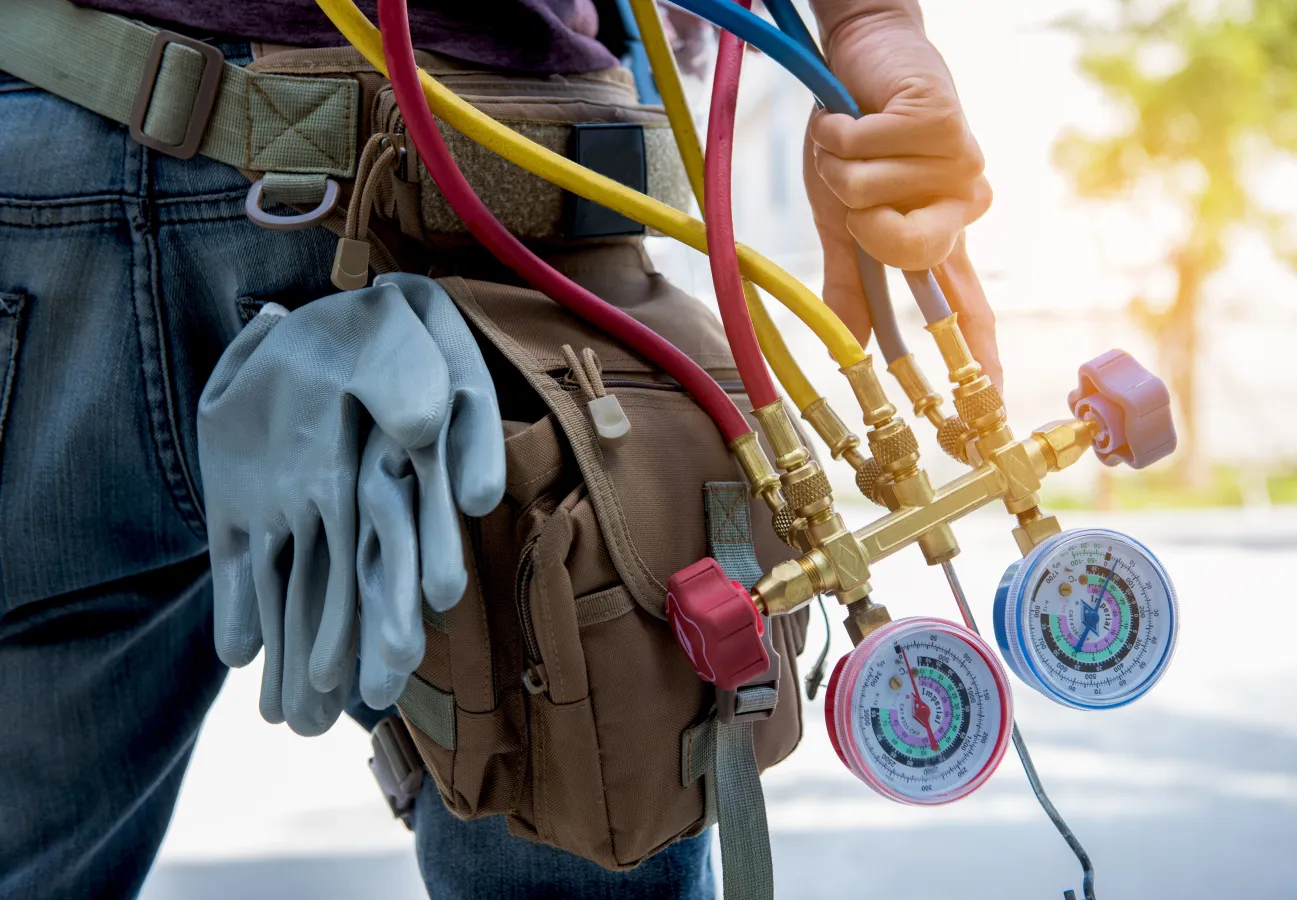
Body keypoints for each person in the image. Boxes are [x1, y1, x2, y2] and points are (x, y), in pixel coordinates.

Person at [0, 0, 994, 897]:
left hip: (57, 150)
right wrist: (871, 28)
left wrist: (874, 33)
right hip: (480, 193)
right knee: (589, 807)